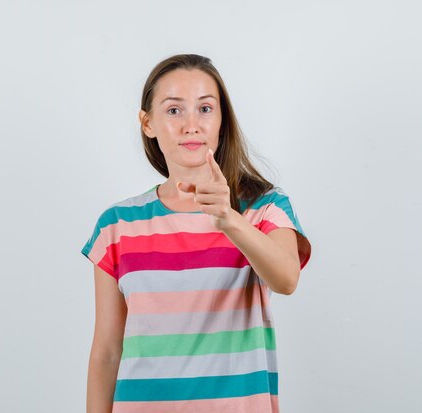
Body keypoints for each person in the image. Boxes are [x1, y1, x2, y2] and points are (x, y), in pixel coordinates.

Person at [81, 53, 312, 413]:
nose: (192, 124)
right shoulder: (117, 225)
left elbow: (286, 279)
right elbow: (108, 352)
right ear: (148, 123)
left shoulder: (264, 207)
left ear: (222, 120)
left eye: (205, 109)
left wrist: (229, 219)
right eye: (174, 110)